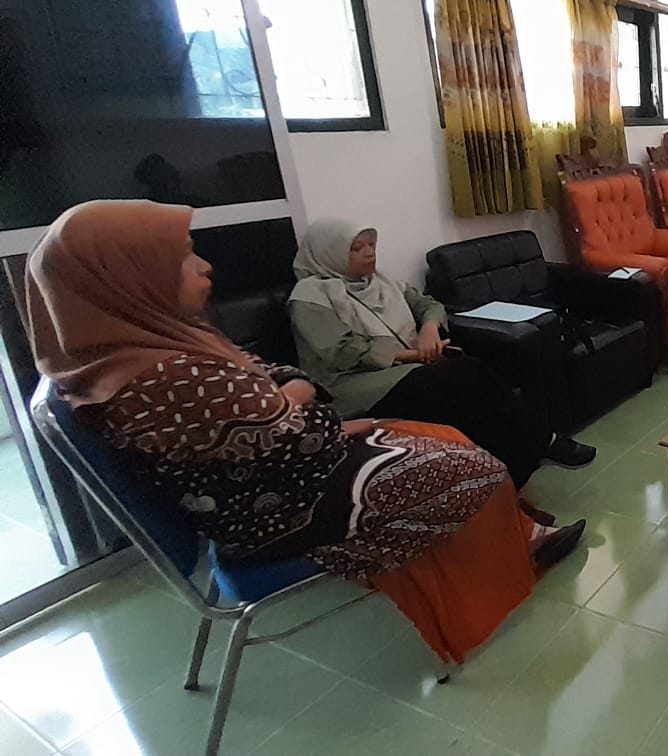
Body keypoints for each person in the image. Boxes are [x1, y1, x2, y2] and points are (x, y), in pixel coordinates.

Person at [24, 200, 587, 665]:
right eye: (184, 257)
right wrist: (304, 404)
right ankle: (499, 559)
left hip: (288, 477)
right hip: (280, 514)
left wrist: (293, 397)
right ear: (130, 279)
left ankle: (520, 537)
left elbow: (274, 377)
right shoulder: (163, 378)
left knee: (445, 428)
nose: (205, 266)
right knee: (473, 463)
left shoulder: (165, 343)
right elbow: (305, 423)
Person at [287, 220, 596, 489]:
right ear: (329, 254)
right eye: (357, 248)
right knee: (456, 378)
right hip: (352, 384)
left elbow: (428, 304)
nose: (369, 253)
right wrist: (415, 356)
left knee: (473, 374)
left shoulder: (380, 281)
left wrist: (429, 330)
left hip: (407, 368)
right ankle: (534, 450)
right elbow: (343, 351)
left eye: (371, 245)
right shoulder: (311, 294)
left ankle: (520, 461)